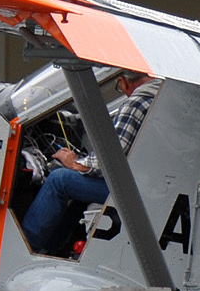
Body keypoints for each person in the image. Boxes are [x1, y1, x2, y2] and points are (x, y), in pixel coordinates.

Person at [22, 72, 160, 257]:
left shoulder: (138, 102)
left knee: (59, 179)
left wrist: (75, 163)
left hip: (136, 190)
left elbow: (112, 159)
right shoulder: (158, 98)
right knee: (79, 192)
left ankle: (25, 247)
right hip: (150, 185)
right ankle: (51, 250)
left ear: (123, 81)